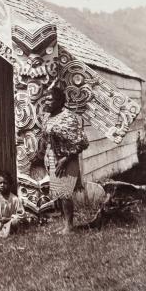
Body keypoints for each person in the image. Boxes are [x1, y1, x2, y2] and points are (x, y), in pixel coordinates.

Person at [43, 86, 89, 233]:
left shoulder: (68, 117)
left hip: (67, 160)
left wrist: (65, 160)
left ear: (59, 101)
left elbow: (82, 142)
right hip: (53, 158)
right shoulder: (48, 116)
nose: (46, 101)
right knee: (58, 193)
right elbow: (49, 138)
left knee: (65, 193)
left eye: (50, 99)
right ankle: (64, 225)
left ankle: (69, 226)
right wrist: (47, 154)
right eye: (46, 98)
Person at [0, 171, 25, 238]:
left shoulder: (15, 199)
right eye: (0, 183)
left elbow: (21, 216)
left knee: (15, 221)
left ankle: (7, 234)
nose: (2, 185)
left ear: (10, 185)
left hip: (10, 224)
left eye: (5, 183)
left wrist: (7, 219)